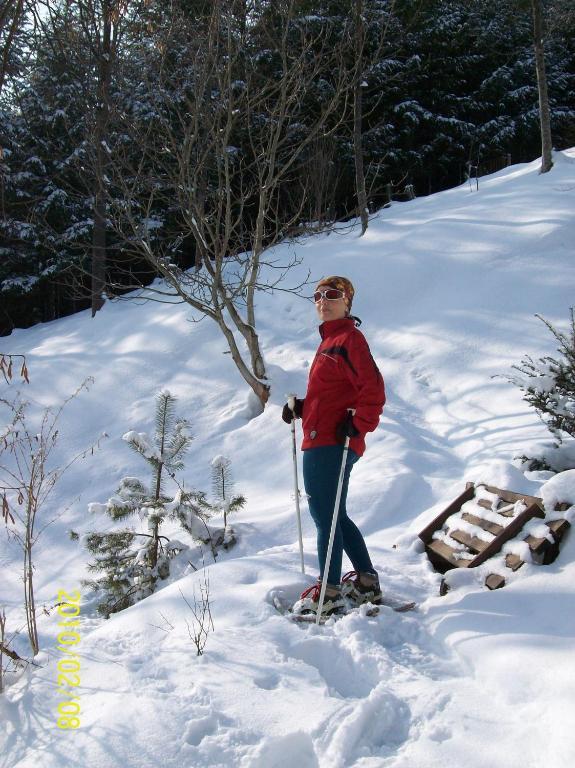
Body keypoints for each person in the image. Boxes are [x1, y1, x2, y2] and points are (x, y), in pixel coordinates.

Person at [282, 276, 386, 617]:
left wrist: (357, 426)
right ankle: (367, 581)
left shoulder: (349, 339)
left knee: (324, 515)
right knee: (335, 515)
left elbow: (372, 390)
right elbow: (332, 393)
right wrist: (303, 405)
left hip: (332, 441)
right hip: (321, 436)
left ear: (347, 302)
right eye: (317, 296)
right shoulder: (331, 342)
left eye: (332, 295)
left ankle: (328, 592)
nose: (323, 300)